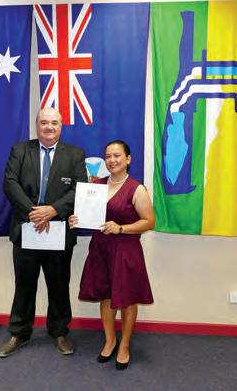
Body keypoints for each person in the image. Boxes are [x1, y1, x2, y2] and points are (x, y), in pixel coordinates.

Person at [0, 107, 88, 358]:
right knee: (24, 285)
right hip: (26, 229)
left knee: (59, 285)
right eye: (44, 122)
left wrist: (53, 210)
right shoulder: (20, 150)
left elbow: (81, 188)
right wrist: (34, 213)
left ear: (61, 126)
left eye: (54, 123)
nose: (49, 127)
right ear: (37, 125)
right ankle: (19, 333)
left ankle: (59, 332)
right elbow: (9, 183)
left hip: (59, 231)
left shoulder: (75, 155)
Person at [69, 139, 155, 370]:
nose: (111, 160)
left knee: (127, 299)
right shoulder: (95, 185)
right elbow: (86, 215)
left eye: (117, 155)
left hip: (125, 250)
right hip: (100, 248)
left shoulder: (136, 189)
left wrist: (121, 228)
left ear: (128, 159)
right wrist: (75, 219)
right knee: (106, 295)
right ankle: (110, 340)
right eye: (108, 156)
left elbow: (149, 221)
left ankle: (124, 345)